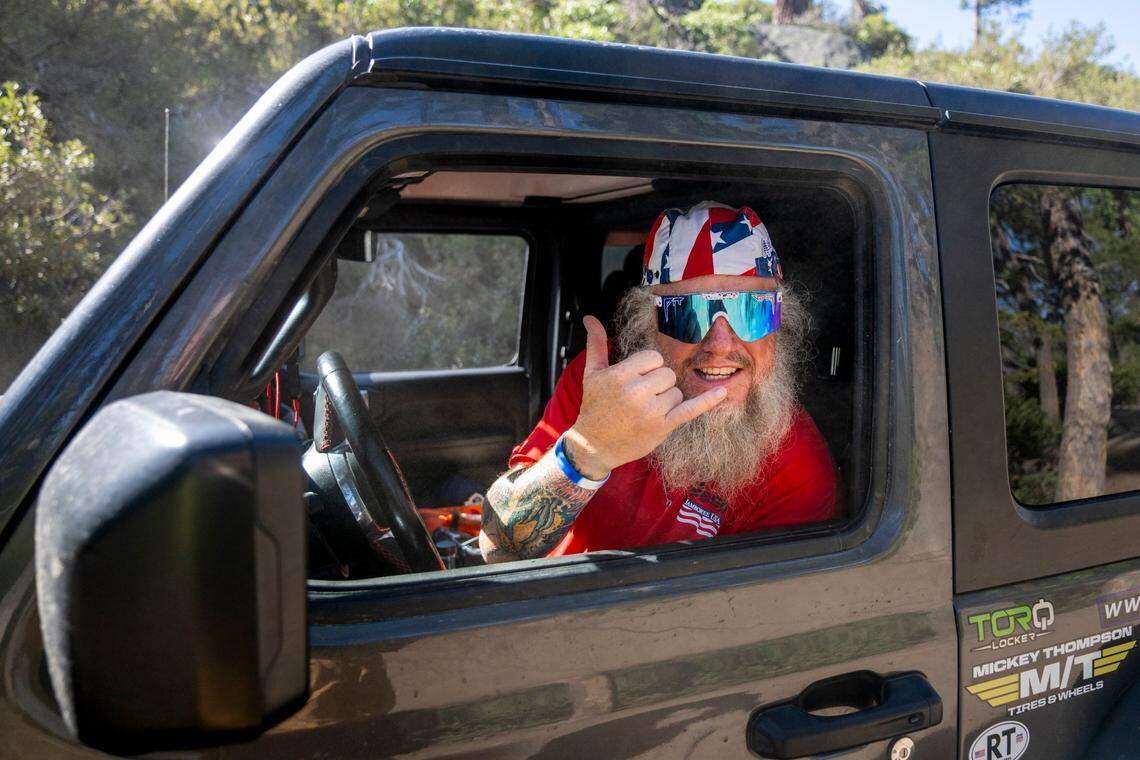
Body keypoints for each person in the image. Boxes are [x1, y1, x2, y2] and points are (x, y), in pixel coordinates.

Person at [479, 201, 838, 563]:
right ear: (647, 326)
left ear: (780, 323)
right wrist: (590, 451)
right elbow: (498, 549)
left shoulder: (798, 468)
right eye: (688, 314)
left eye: (753, 311)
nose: (720, 345)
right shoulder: (603, 380)